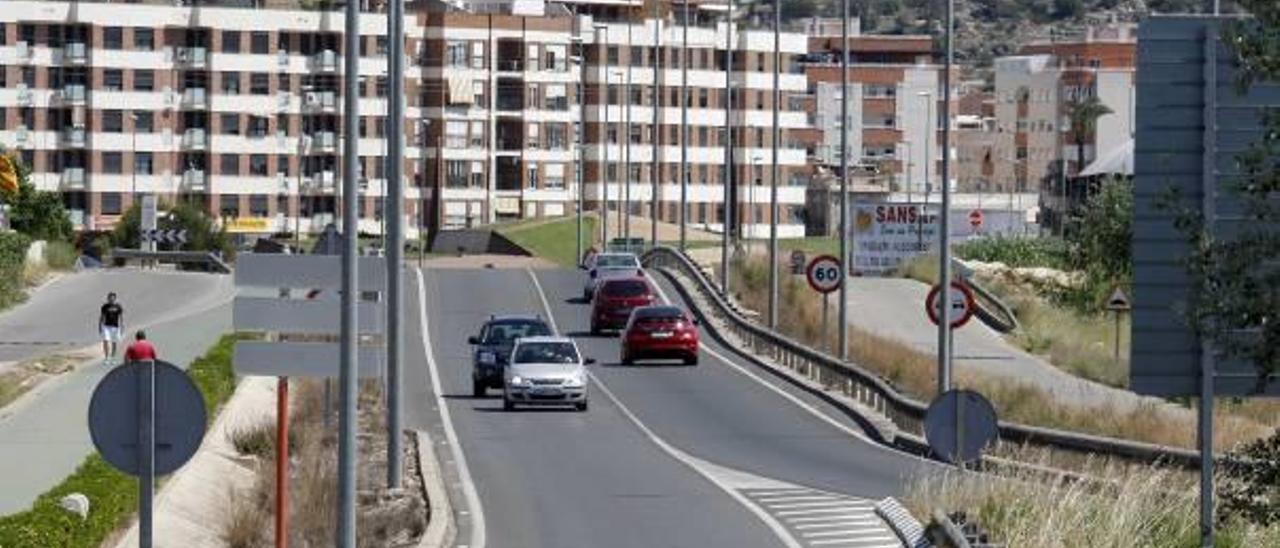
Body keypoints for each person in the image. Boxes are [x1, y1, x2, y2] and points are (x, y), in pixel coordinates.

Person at [98, 292, 124, 365]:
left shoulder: (118, 307)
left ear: (115, 298)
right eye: (110, 298)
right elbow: (102, 317)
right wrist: (100, 326)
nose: (111, 299)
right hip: (106, 326)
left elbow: (121, 317)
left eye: (112, 298)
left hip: (115, 327)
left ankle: (113, 358)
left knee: (114, 342)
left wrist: (122, 326)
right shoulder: (104, 307)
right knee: (106, 341)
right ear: (108, 298)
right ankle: (106, 358)